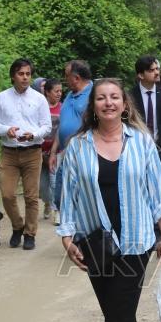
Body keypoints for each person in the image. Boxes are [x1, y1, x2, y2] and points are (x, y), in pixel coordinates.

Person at [57, 78, 161, 322]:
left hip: (138, 239)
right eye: (101, 98)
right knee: (115, 308)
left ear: (125, 105)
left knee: (121, 306)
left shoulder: (142, 142)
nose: (108, 103)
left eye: (114, 98)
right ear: (92, 107)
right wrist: (67, 240)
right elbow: (67, 196)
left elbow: (157, 193)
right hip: (94, 241)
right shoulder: (77, 146)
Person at [0, 58, 51, 250]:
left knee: (32, 196)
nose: (25, 77)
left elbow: (46, 126)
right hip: (9, 152)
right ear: (13, 76)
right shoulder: (2, 97)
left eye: (28, 74)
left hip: (32, 151)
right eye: (21, 74)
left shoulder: (39, 98)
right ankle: (17, 226)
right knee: (7, 194)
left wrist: (33, 134)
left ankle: (30, 233)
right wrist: (6, 130)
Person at [49, 60, 94, 223]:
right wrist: (54, 151)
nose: (64, 79)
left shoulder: (94, 94)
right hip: (65, 153)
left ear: (75, 78)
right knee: (60, 192)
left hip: (85, 152)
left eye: (66, 76)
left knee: (81, 194)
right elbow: (62, 125)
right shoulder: (69, 95)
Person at [129, 56, 161, 169]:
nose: (157, 72)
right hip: (137, 148)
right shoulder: (130, 96)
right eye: (151, 70)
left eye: (157, 69)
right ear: (141, 75)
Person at [42, 80, 63, 223]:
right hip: (38, 152)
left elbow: (61, 131)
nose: (59, 94)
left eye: (61, 91)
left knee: (54, 182)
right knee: (41, 187)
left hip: (56, 151)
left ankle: (57, 211)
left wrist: (54, 151)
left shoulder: (63, 108)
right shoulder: (40, 107)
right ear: (48, 92)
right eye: (56, 91)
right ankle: (47, 202)